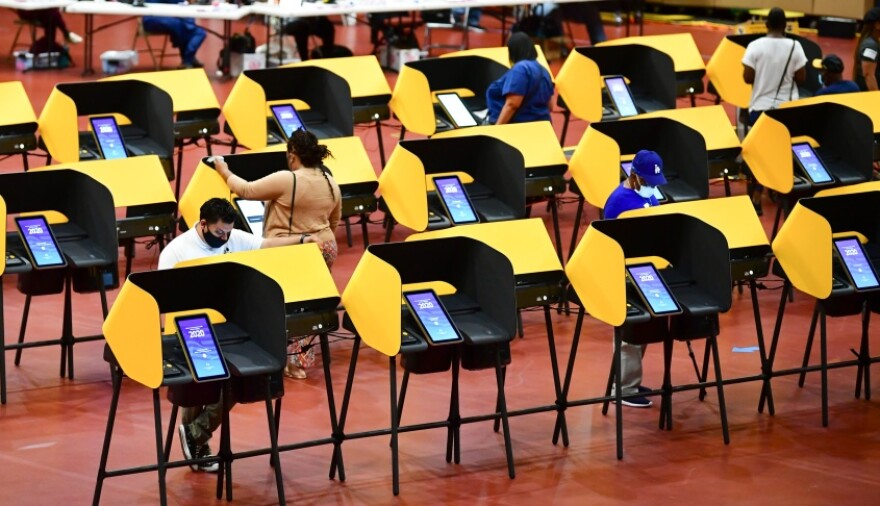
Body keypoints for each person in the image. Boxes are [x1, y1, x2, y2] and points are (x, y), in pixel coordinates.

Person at [159, 198, 314, 472]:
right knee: (205, 381)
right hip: (192, 329)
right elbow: (163, 302)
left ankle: (196, 433)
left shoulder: (233, 237)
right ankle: (197, 437)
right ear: (203, 224)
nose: (225, 237)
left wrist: (301, 240)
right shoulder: (176, 252)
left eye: (229, 232)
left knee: (242, 378)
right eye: (220, 233)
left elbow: (265, 244)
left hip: (232, 327)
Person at [214, 128, 341, 379]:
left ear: (292, 154)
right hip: (325, 246)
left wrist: (223, 170)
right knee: (309, 305)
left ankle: (283, 359)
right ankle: (300, 361)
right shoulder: (330, 181)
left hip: (292, 250)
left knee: (286, 304)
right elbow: (335, 220)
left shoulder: (289, 179)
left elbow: (247, 190)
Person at [604, 150, 667, 407]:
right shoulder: (618, 201)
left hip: (646, 268)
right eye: (648, 181)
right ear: (633, 176)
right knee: (629, 331)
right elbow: (608, 241)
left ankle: (631, 381)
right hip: (625, 272)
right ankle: (624, 389)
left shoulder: (650, 192)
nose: (653, 187)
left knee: (643, 327)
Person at [741, 6, 807, 214]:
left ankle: (756, 197)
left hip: (760, 108)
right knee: (783, 154)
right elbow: (802, 77)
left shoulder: (754, 46)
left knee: (757, 154)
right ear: (785, 26)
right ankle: (782, 193)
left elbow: (747, 77)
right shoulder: (795, 46)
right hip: (786, 110)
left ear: (767, 25)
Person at [486, 32, 555, 125]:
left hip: (519, 127)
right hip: (543, 126)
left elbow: (512, 105)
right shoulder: (544, 71)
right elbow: (550, 106)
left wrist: (497, 128)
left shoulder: (520, 69)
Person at [142, 0, 206, 69]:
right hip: (153, 18)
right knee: (180, 26)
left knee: (199, 32)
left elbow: (180, 4)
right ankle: (187, 59)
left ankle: (188, 58)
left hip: (173, 17)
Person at [17, 8, 82, 53]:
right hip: (28, 10)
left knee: (51, 15)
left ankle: (50, 42)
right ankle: (65, 33)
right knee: (52, 13)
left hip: (43, 10)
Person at [855, 7, 880, 91]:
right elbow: (868, 75)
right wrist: (876, 99)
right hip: (868, 95)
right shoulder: (870, 46)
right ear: (877, 25)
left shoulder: (873, 42)